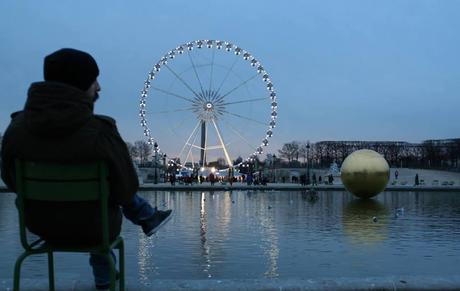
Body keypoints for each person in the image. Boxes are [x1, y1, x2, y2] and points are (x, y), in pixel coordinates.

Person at [0, 48, 172, 290]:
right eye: (94, 80)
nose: (99, 87)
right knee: (102, 205)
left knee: (97, 206)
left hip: (39, 224)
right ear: (80, 84)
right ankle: (106, 276)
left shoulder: (16, 129)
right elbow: (127, 187)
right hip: (95, 228)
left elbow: (9, 178)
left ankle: (143, 222)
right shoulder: (101, 133)